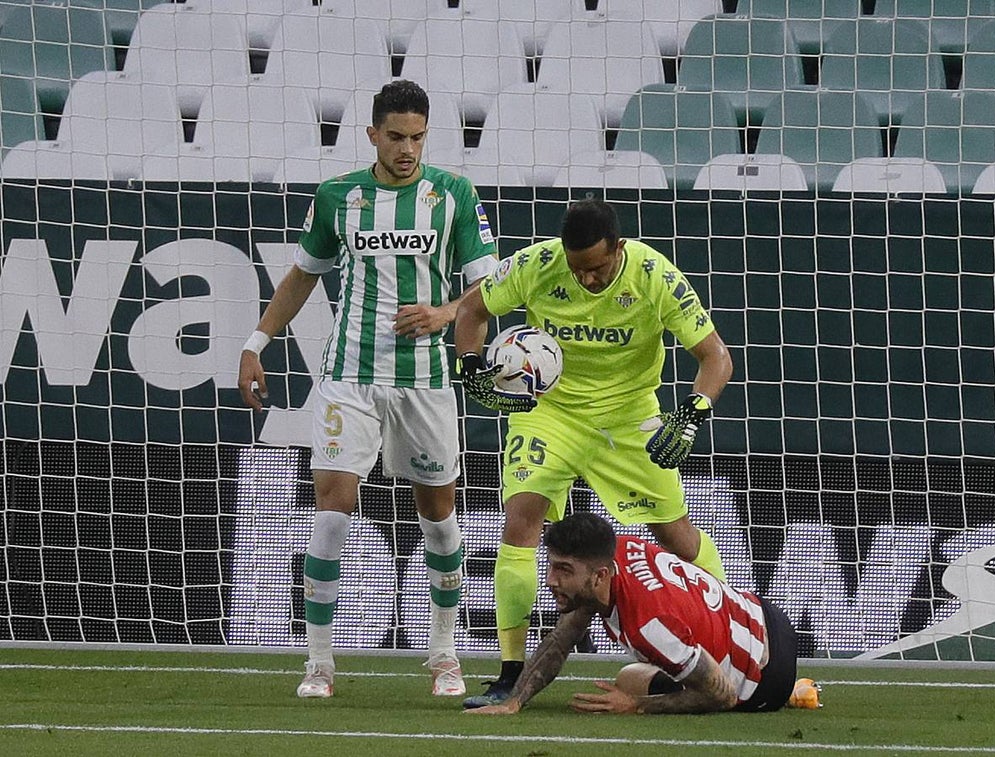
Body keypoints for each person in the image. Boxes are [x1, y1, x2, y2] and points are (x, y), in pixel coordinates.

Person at [237, 79, 499, 699]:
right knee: (333, 509)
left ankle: (443, 652)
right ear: (373, 135)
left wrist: (444, 316)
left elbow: (490, 289)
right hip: (348, 375)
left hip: (426, 380)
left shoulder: (454, 195)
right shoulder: (338, 197)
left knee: (438, 517)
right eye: (397, 137)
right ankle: (319, 662)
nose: (408, 149)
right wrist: (255, 343)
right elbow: (303, 277)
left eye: (418, 137)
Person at [453, 198, 734, 707]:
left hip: (628, 417)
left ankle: (727, 639)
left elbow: (715, 357)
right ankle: (511, 670)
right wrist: (470, 364)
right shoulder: (538, 265)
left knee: (675, 534)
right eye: (579, 270)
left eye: (599, 268)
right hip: (551, 412)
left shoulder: (653, 275)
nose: (588, 280)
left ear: (619, 249)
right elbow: (472, 308)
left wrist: (691, 414)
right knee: (521, 519)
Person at [466, 512, 818, 715]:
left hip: (764, 680)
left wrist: (635, 705)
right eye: (552, 567)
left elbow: (721, 696)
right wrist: (516, 701)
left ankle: (791, 692)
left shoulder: (649, 626)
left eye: (563, 570)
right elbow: (562, 638)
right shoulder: (614, 554)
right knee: (630, 675)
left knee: (631, 686)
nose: (550, 580)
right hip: (761, 614)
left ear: (600, 575)